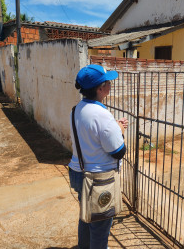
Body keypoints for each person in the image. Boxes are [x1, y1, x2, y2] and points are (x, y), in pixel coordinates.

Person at [68, 64, 128, 249]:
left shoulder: (77, 109)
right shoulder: (102, 115)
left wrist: (114, 127)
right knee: (101, 227)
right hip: (98, 179)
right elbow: (118, 151)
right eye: (107, 82)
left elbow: (92, 135)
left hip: (79, 172)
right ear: (100, 88)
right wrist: (119, 129)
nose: (110, 84)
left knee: (86, 217)